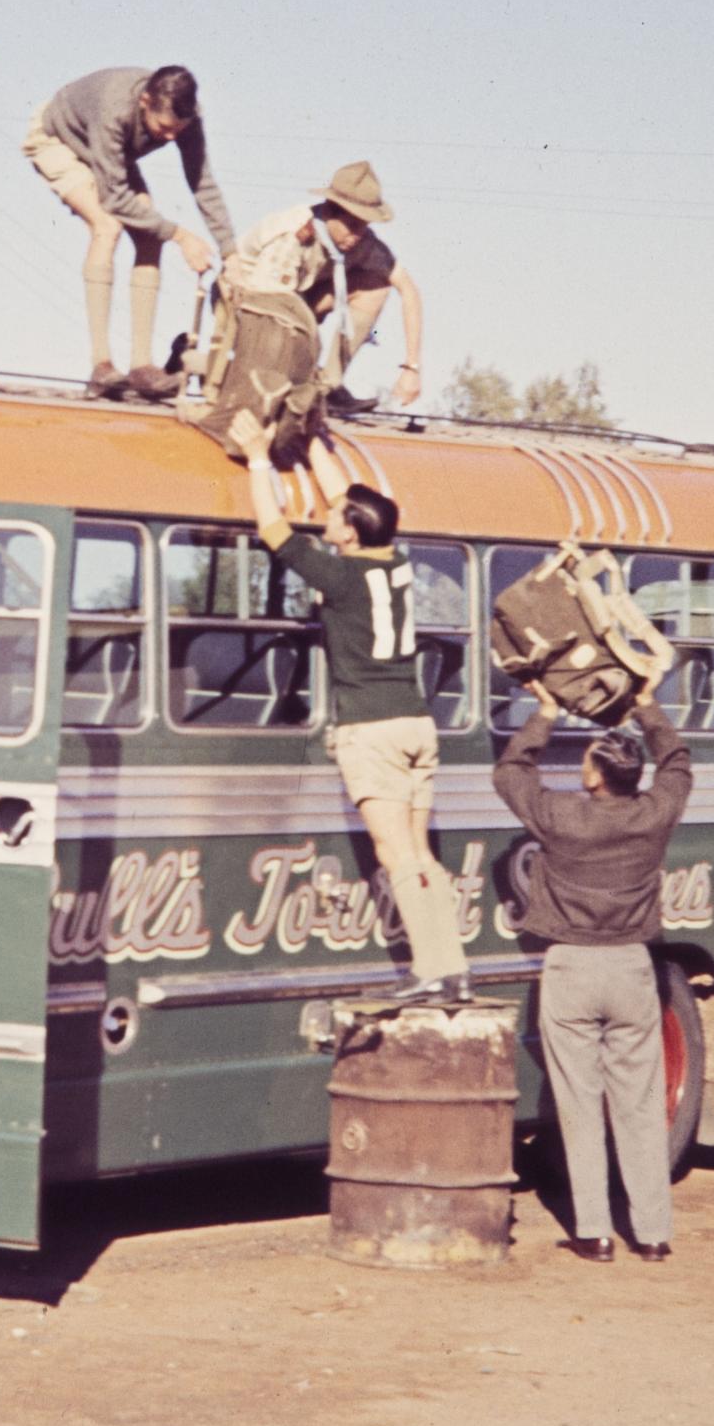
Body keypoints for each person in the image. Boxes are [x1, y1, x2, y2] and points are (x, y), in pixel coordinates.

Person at [230, 414, 469, 1002]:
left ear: (350, 534)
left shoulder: (338, 576)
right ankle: (452, 964)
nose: (327, 516)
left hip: (374, 730)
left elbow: (272, 527)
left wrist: (261, 456)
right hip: (416, 722)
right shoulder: (397, 564)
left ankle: (431, 969)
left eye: (335, 519)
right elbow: (347, 496)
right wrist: (312, 441)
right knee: (420, 854)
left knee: (396, 854)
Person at [492, 681, 693, 1262]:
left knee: (579, 1106)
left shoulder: (562, 818)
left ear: (596, 777)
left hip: (571, 969)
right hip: (633, 969)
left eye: (586, 760)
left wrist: (545, 715)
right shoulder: (655, 815)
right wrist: (648, 707)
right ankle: (653, 1235)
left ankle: (595, 1233)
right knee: (639, 1103)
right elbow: (677, 763)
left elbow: (511, 773)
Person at [25, 65, 237, 400]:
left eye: (177, 131)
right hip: (58, 139)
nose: (169, 138)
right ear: (145, 101)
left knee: (151, 234)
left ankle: (142, 368)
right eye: (163, 128)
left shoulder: (188, 119)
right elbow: (114, 199)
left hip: (106, 154)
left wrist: (230, 252)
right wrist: (182, 236)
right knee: (107, 225)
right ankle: (102, 366)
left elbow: (202, 182)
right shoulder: (114, 108)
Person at [222, 161, 427, 411]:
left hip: (294, 305)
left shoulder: (361, 241)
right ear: (331, 210)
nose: (358, 236)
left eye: (365, 226)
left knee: (375, 285)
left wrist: (411, 368)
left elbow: (408, 290)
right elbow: (268, 307)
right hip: (247, 301)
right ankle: (206, 366)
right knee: (268, 380)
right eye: (352, 225)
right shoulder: (293, 234)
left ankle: (326, 388)